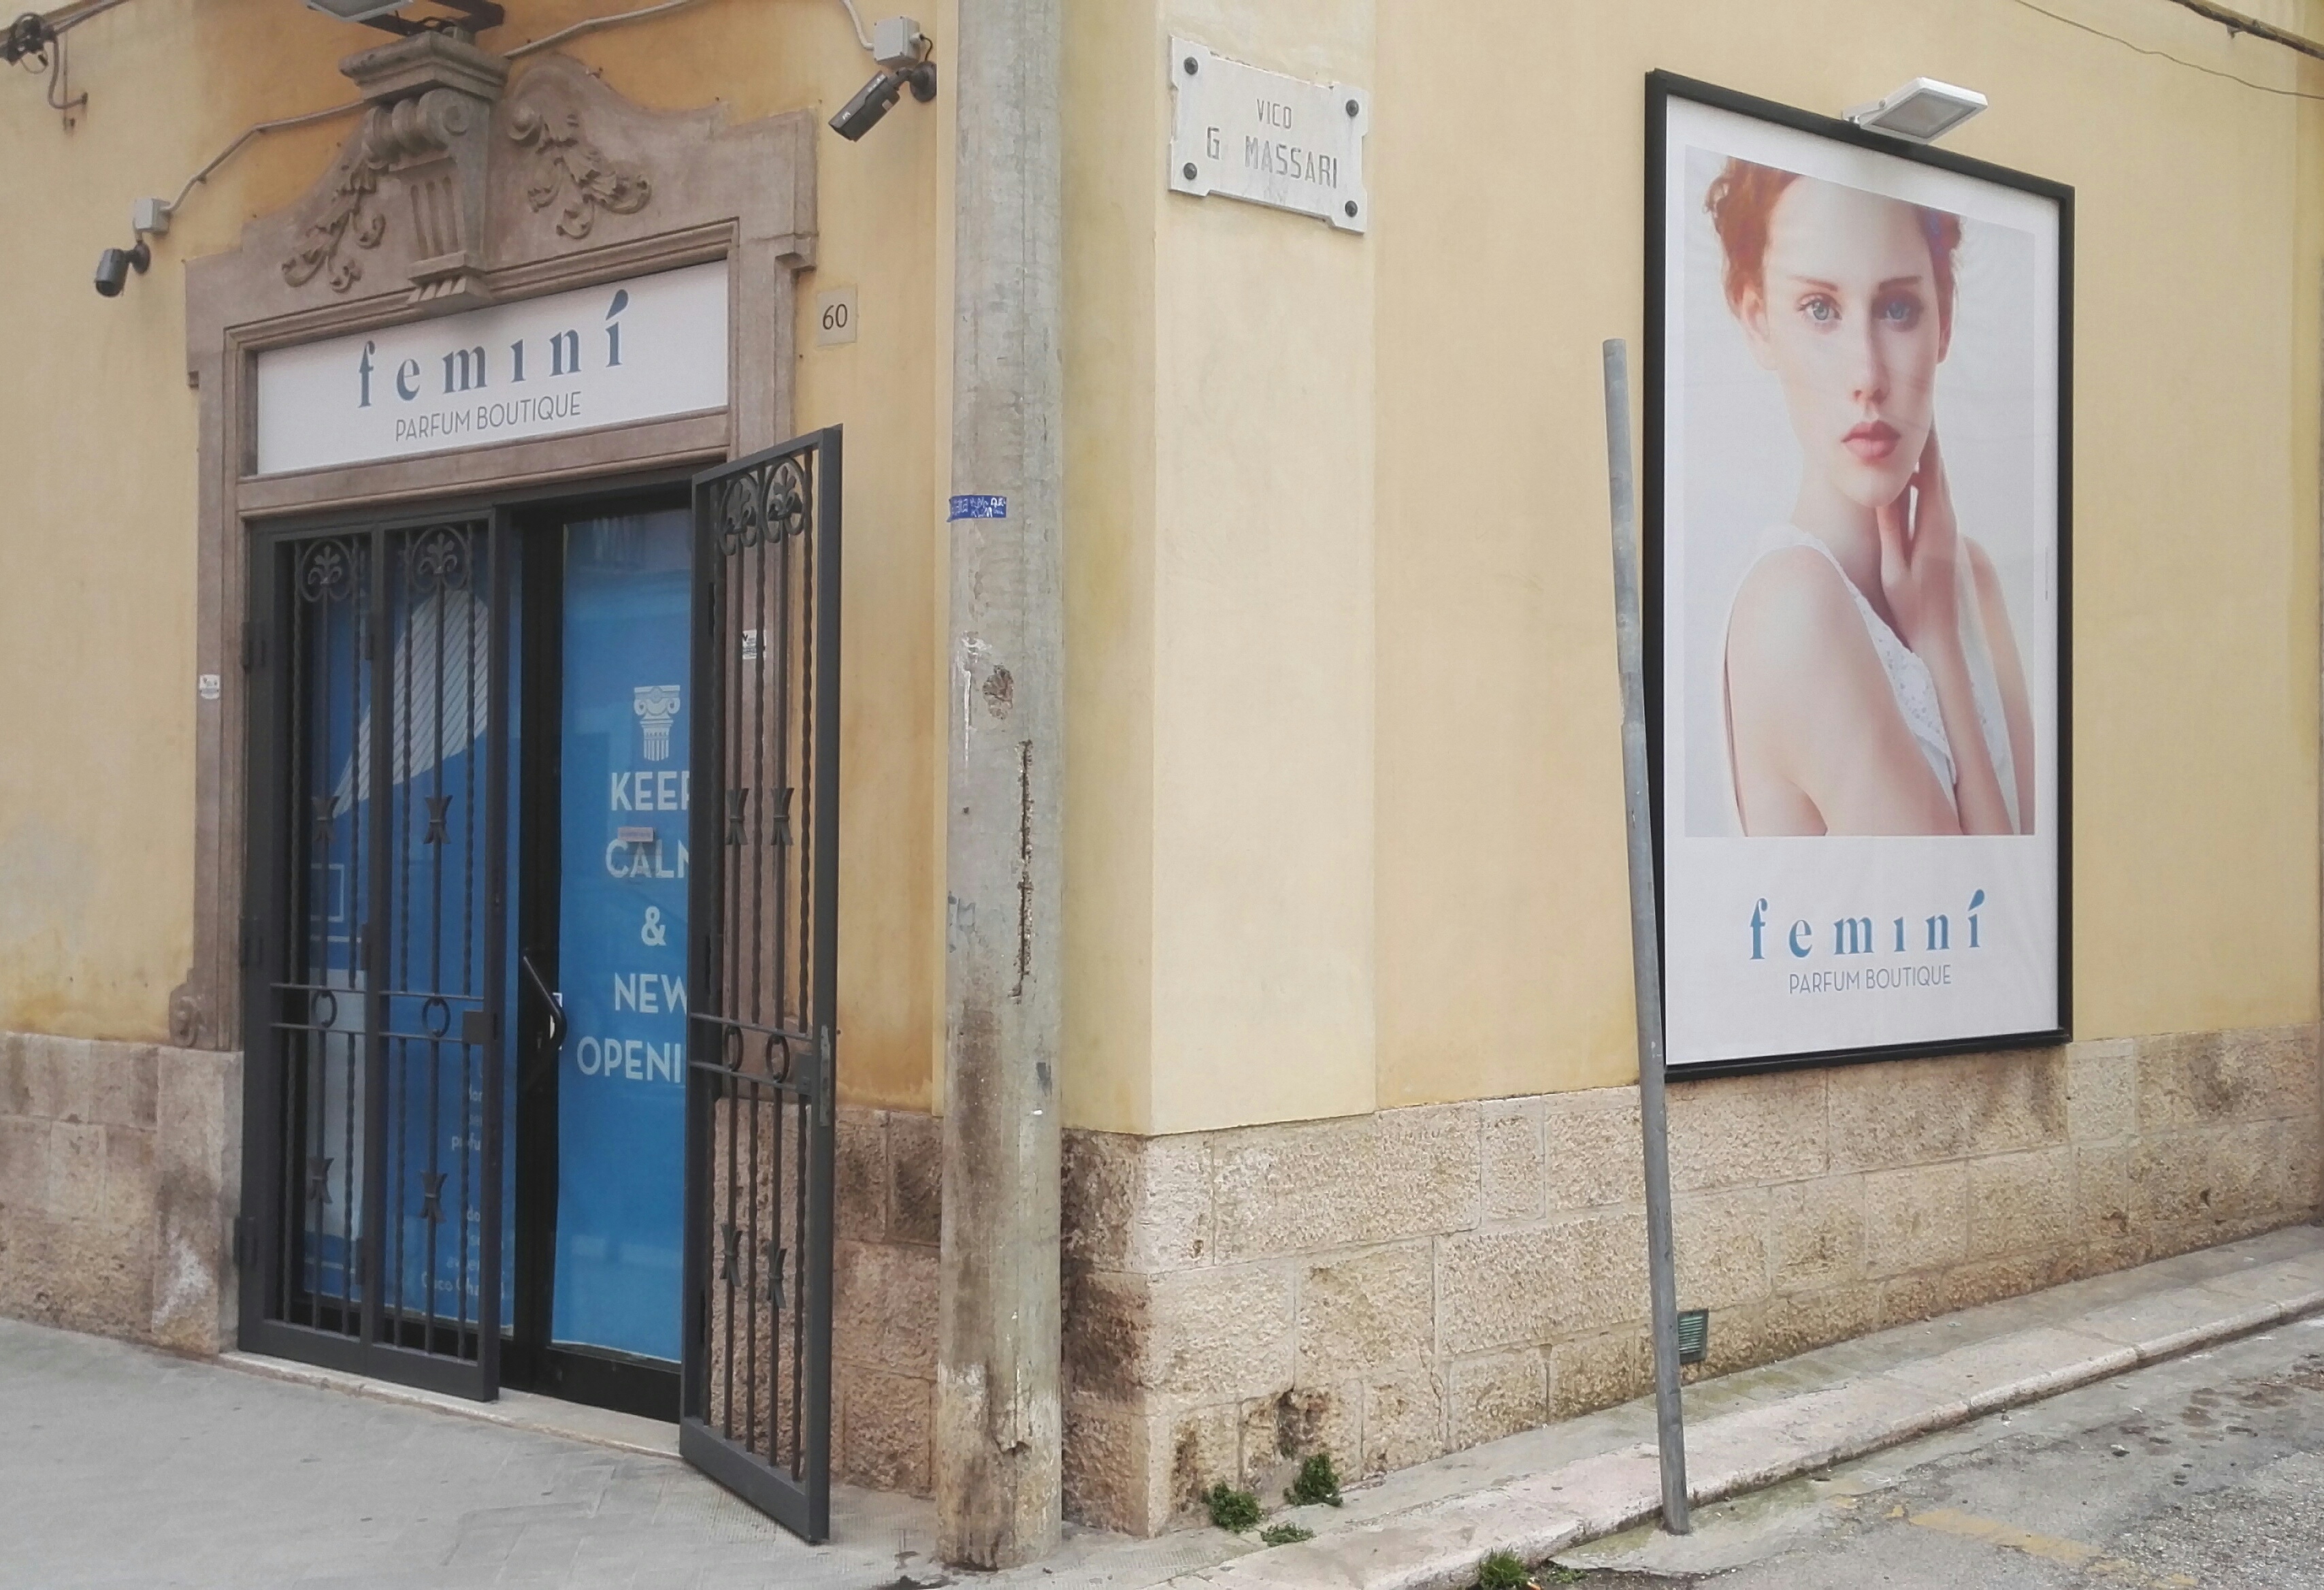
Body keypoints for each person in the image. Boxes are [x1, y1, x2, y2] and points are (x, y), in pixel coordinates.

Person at [1707, 159, 2035, 836]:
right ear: (1758, 321)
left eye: (1896, 309)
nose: (1867, 374)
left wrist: (1941, 636)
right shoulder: (1792, 607)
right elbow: (1975, 892)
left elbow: (2033, 889)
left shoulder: (1969, 579)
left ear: (1944, 321)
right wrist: (1937, 647)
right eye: (1819, 309)